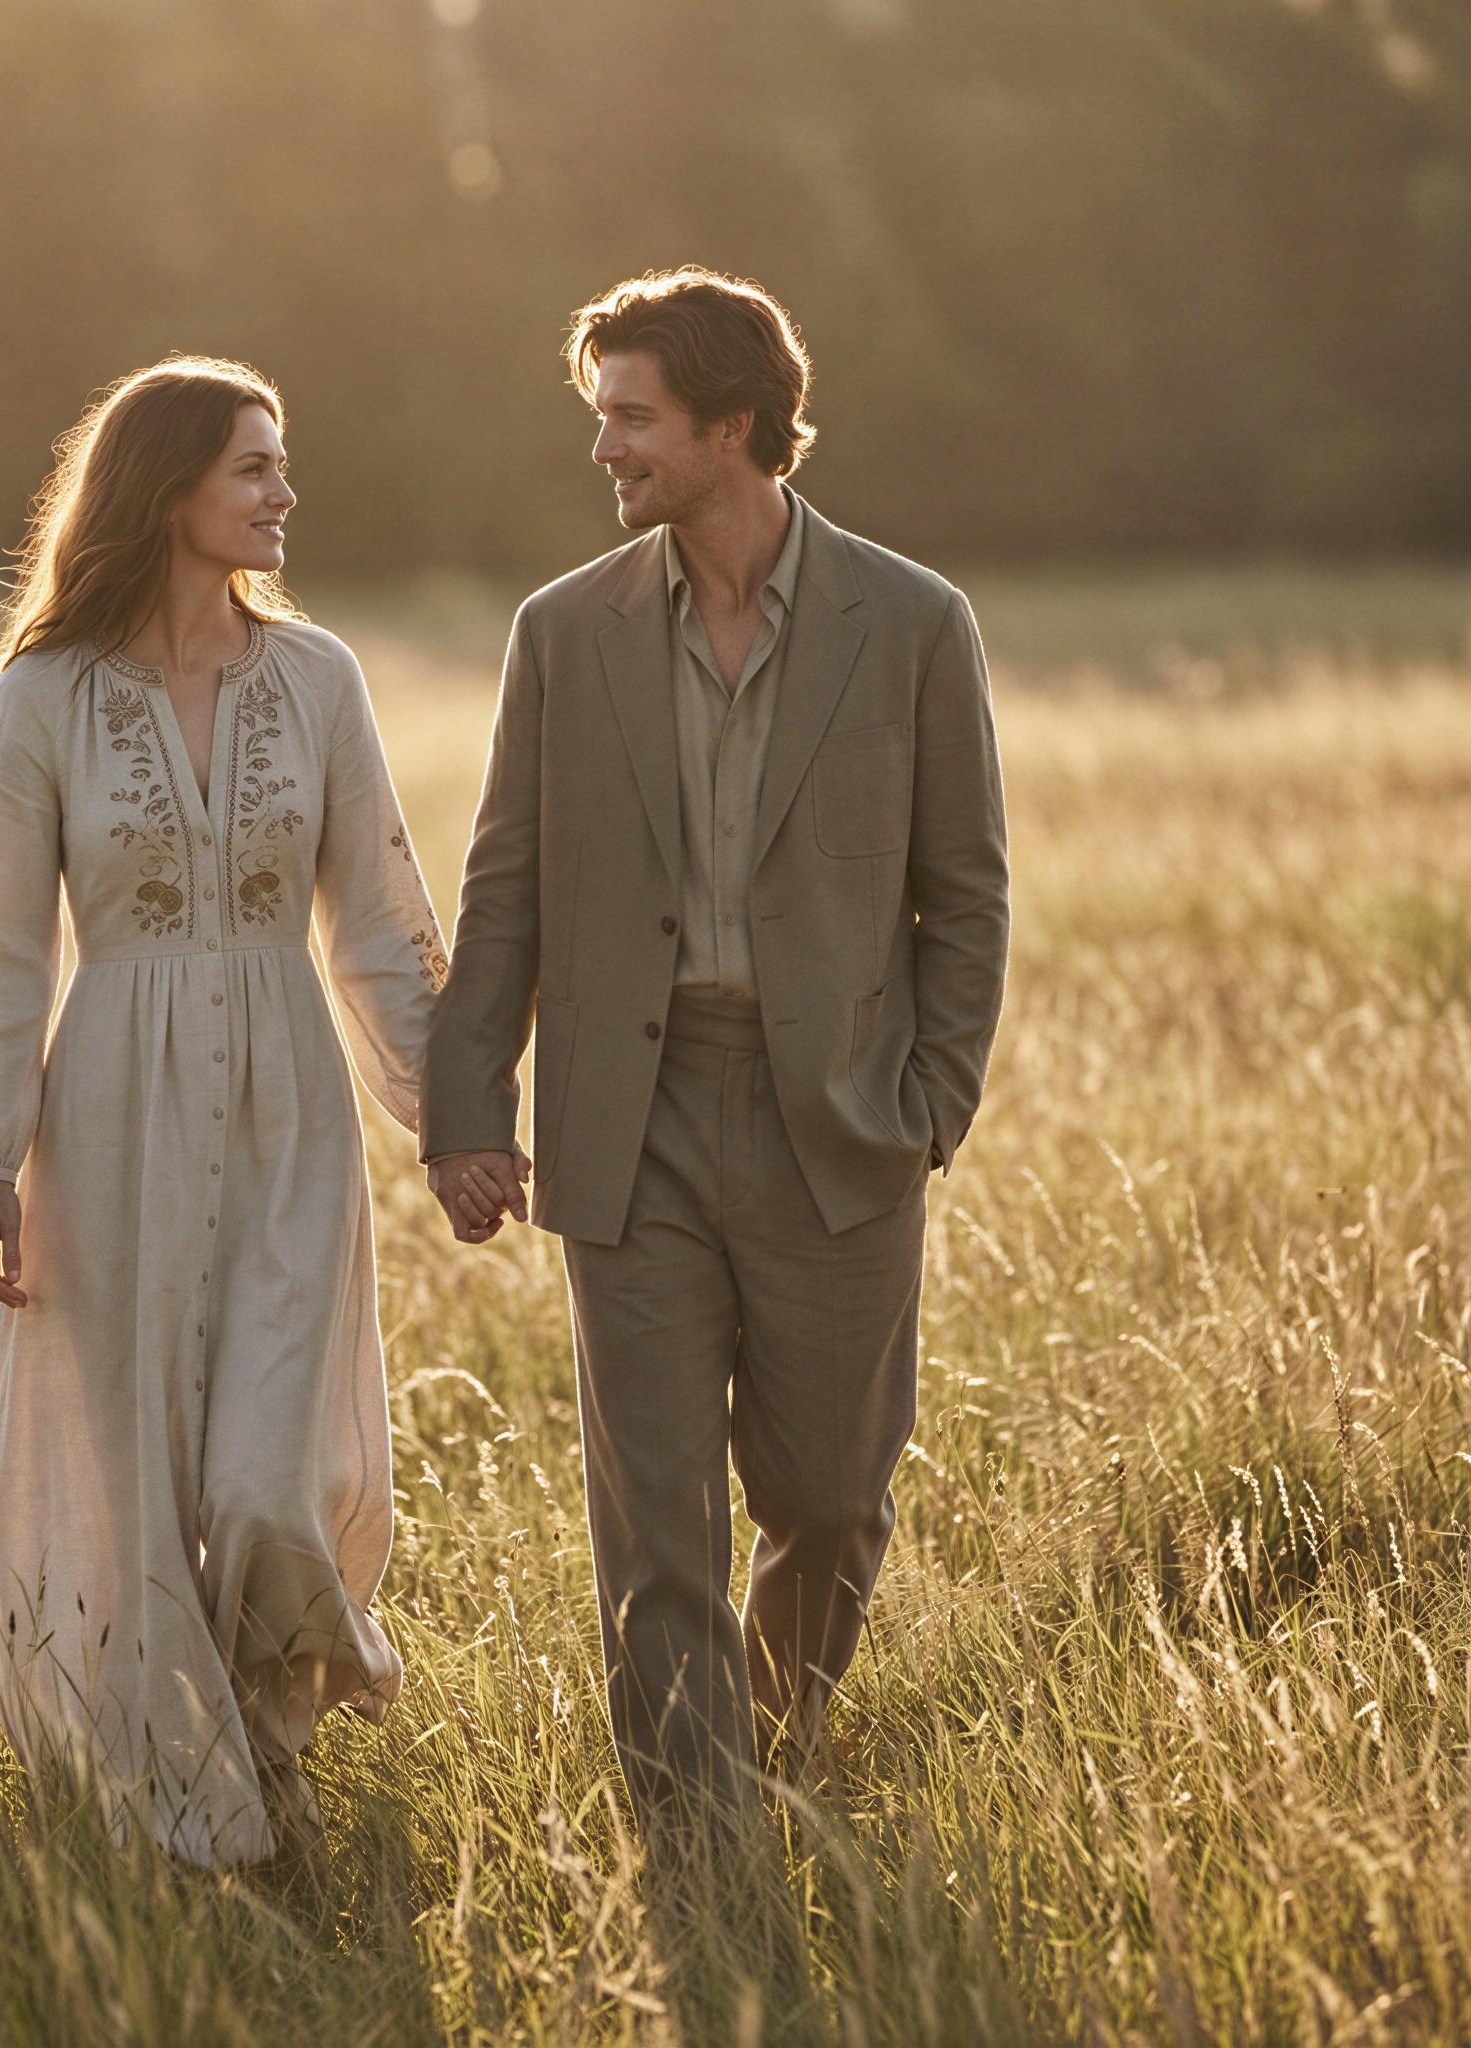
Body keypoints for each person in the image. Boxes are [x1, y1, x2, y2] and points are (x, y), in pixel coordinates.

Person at [421, 268, 1010, 1842]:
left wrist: (931, 1104)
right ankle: (697, 1843)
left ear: (731, 428)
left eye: (632, 419)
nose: (604, 449)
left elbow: (966, 892)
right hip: (635, 1117)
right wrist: (465, 1106)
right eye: (599, 416)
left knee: (828, 1501)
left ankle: (769, 1744)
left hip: (844, 1126)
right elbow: (507, 882)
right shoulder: (565, 633)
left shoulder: (914, 622)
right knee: (658, 1520)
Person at [0, 356, 456, 1865]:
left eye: (281, 465)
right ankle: (206, 1800)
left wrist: (453, 1118)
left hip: (293, 1106)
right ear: (167, 492)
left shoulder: (322, 679)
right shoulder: (47, 696)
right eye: (255, 468)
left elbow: (380, 921)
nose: (286, 493)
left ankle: (274, 1719)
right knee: (140, 1477)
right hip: (107, 1118)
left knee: (267, 1480)